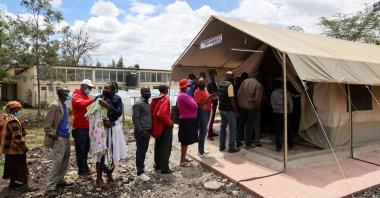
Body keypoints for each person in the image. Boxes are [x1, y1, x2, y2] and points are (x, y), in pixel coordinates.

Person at [91, 82, 128, 189]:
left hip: (114, 129)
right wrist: (103, 120)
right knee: (101, 153)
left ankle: (109, 174)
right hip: (101, 130)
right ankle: (99, 180)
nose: (105, 90)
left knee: (112, 152)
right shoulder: (99, 98)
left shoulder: (117, 99)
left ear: (113, 90)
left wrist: (108, 107)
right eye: (104, 88)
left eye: (108, 89)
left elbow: (118, 113)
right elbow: (92, 112)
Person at [0, 101, 38, 192]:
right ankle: (26, 186)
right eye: (18, 109)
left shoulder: (5, 118)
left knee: (11, 166)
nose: (19, 111)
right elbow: (18, 136)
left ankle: (12, 183)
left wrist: (21, 123)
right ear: (13, 110)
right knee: (22, 166)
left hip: (7, 148)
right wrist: (24, 147)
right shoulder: (13, 120)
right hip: (15, 148)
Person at [44, 88, 73, 196]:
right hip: (59, 137)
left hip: (66, 136)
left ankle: (60, 180)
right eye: (67, 94)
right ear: (62, 94)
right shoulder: (54, 105)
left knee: (65, 159)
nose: (69, 95)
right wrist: (54, 135)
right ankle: (50, 186)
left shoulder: (64, 105)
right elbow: (47, 124)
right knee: (57, 161)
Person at [72, 79, 95, 176]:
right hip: (79, 127)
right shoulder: (76, 96)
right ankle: (81, 170)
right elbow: (81, 104)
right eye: (89, 87)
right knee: (80, 150)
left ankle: (85, 168)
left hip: (87, 127)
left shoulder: (86, 96)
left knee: (86, 149)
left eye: (90, 88)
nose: (90, 89)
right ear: (83, 86)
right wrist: (93, 100)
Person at [150, 85, 174, 174]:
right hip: (165, 126)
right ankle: (165, 168)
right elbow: (162, 114)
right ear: (166, 90)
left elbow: (152, 112)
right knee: (166, 147)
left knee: (158, 145)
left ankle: (157, 165)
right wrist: (170, 123)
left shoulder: (154, 99)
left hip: (157, 126)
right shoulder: (166, 99)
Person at [236, 73, 263, 149]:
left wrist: (240, 103)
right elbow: (257, 99)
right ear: (259, 78)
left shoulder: (244, 81)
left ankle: (238, 142)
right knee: (249, 125)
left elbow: (239, 93)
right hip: (251, 108)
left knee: (241, 124)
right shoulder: (258, 85)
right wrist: (257, 107)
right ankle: (248, 143)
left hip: (242, 107)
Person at [132, 87, 152, 181]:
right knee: (140, 152)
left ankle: (142, 167)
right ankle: (140, 173)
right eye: (145, 92)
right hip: (142, 132)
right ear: (141, 93)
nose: (147, 93)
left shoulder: (146, 102)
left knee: (144, 151)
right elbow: (135, 119)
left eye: (148, 91)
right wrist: (141, 130)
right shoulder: (138, 104)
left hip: (147, 131)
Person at [177, 79, 198, 167]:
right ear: (184, 87)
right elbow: (195, 106)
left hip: (186, 119)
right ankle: (182, 161)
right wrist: (193, 101)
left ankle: (184, 158)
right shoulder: (184, 96)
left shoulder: (181, 95)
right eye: (187, 86)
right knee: (185, 141)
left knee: (185, 140)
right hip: (187, 120)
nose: (188, 87)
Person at [271, 80, 297, 152]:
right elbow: (291, 104)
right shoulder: (287, 92)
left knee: (278, 130)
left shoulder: (273, 93)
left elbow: (272, 105)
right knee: (288, 129)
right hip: (285, 112)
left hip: (276, 112)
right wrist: (290, 111)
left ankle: (278, 146)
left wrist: (276, 108)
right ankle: (291, 145)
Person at [218, 71, 240, 153]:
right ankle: (231, 147)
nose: (233, 77)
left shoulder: (221, 83)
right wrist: (236, 111)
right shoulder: (230, 85)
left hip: (222, 109)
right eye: (232, 76)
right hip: (229, 110)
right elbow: (231, 99)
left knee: (223, 127)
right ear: (227, 76)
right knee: (233, 128)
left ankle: (222, 146)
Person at [194, 77, 216, 158]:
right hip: (202, 111)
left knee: (204, 131)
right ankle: (201, 152)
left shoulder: (205, 89)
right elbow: (199, 105)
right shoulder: (197, 91)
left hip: (208, 110)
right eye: (200, 82)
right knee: (203, 131)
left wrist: (213, 98)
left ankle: (202, 149)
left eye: (203, 82)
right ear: (198, 84)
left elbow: (208, 100)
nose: (202, 83)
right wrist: (208, 98)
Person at [206, 69, 219, 140]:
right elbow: (210, 93)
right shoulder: (210, 82)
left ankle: (211, 131)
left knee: (212, 118)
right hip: (212, 102)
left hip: (214, 102)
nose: (215, 75)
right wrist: (216, 94)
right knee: (211, 119)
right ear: (211, 75)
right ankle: (209, 135)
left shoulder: (213, 82)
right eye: (214, 74)